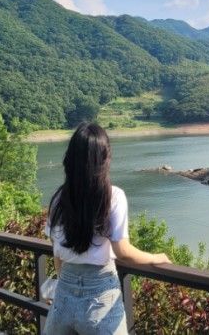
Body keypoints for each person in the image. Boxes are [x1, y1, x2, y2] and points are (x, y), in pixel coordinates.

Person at [45, 122, 171, 334]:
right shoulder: (114, 197)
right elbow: (123, 251)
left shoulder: (59, 198)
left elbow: (55, 247)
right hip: (100, 296)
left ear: (70, 158)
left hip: (64, 293)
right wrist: (155, 257)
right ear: (104, 159)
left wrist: (66, 281)